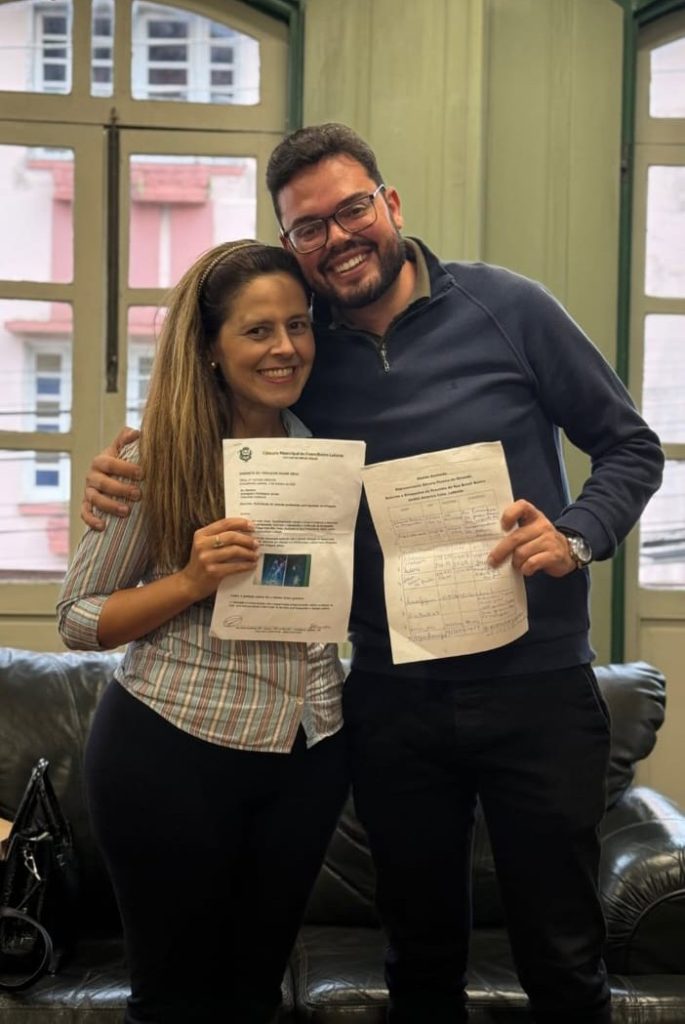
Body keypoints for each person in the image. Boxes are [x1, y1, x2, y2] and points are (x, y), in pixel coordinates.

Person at [80, 124, 664, 1024]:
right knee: (417, 959)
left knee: (560, 956)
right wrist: (127, 465)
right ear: (290, 242)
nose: (338, 237)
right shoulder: (305, 350)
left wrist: (577, 534)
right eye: (308, 227)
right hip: (392, 696)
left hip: (537, 685)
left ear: (389, 202)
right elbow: (219, 400)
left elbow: (630, 446)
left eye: (352, 208)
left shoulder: (510, 307)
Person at [58, 240, 349, 1024]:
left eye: (297, 325)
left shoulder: (329, 447)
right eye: (257, 330)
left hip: (309, 751)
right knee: (173, 1002)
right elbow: (76, 617)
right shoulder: (153, 459)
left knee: (253, 998)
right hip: (172, 753)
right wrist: (188, 581)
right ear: (212, 348)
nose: (284, 347)